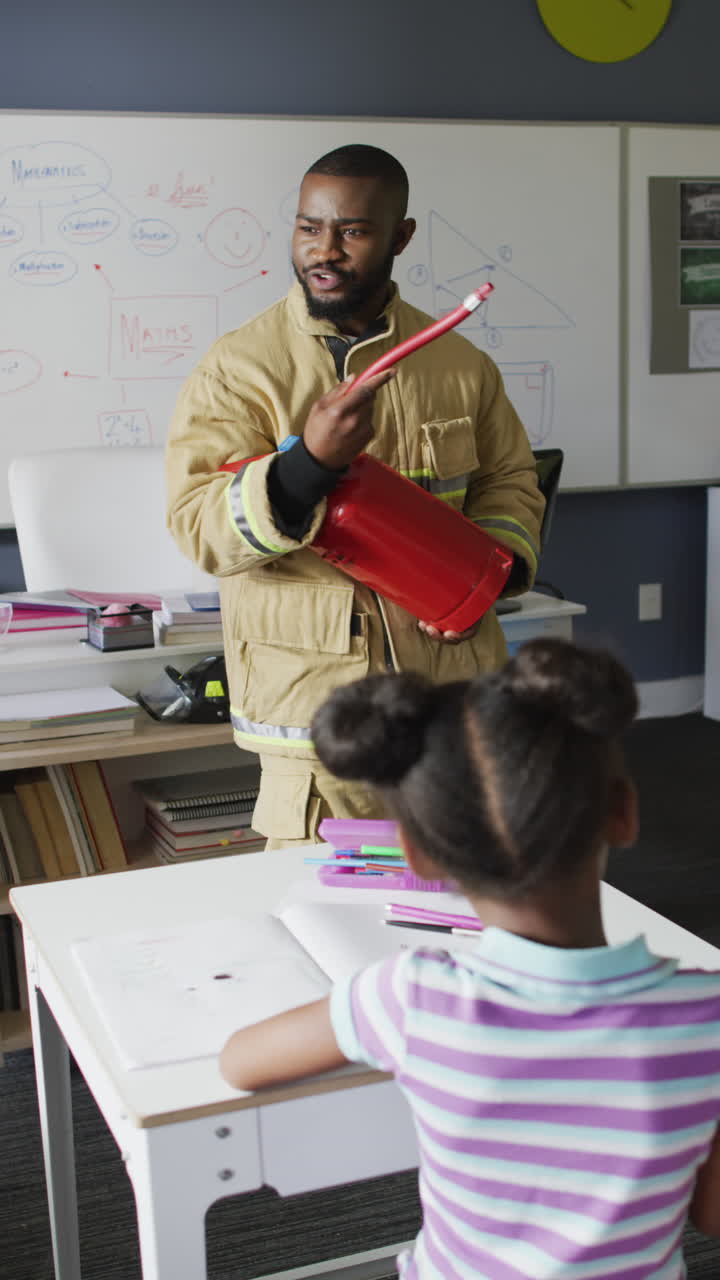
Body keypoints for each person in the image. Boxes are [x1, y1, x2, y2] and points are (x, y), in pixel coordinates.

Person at [220, 636, 720, 1279]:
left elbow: (242, 1062)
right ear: (622, 815)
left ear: (416, 854)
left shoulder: (414, 995)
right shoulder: (705, 1016)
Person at [166, 143, 544, 848]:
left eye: (353, 231)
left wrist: (486, 580)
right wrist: (306, 465)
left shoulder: (461, 367)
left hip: (450, 706)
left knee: (462, 918)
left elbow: (509, 482)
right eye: (309, 227)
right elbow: (199, 527)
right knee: (327, 931)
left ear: (400, 238)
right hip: (316, 722)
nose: (325, 250)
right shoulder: (237, 369)